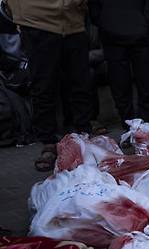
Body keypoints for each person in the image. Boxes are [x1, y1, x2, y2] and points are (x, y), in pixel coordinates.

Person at [6, 0, 92, 171]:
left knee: (80, 82)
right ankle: (48, 143)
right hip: (37, 22)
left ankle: (84, 135)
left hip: (73, 22)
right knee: (43, 86)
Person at [89, 0, 149, 128]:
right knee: (120, 85)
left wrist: (147, 23)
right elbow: (94, 8)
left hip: (141, 35)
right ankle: (128, 126)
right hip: (113, 36)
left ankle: (148, 126)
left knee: (146, 82)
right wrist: (105, 23)